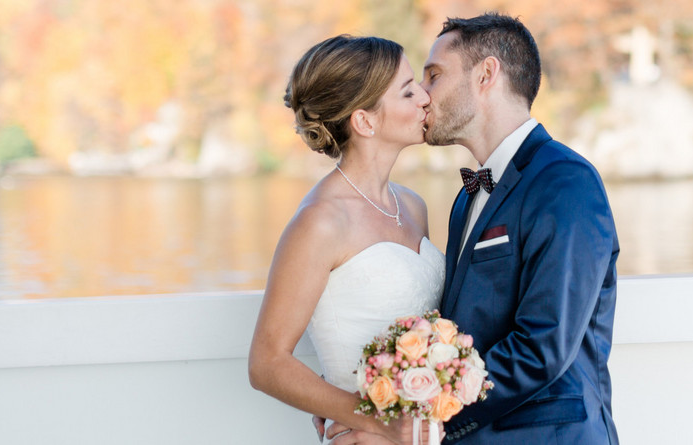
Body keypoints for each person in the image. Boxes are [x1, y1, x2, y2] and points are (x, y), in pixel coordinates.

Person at [331, 12, 620, 445]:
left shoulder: (565, 182)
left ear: (486, 74)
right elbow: (456, 331)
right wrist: (369, 396)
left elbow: (542, 348)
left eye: (434, 75)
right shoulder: (467, 198)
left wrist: (421, 428)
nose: (423, 96)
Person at [247, 35, 441, 445]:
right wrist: (372, 419)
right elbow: (267, 363)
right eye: (408, 91)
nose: (426, 97)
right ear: (365, 121)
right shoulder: (321, 222)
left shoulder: (414, 206)